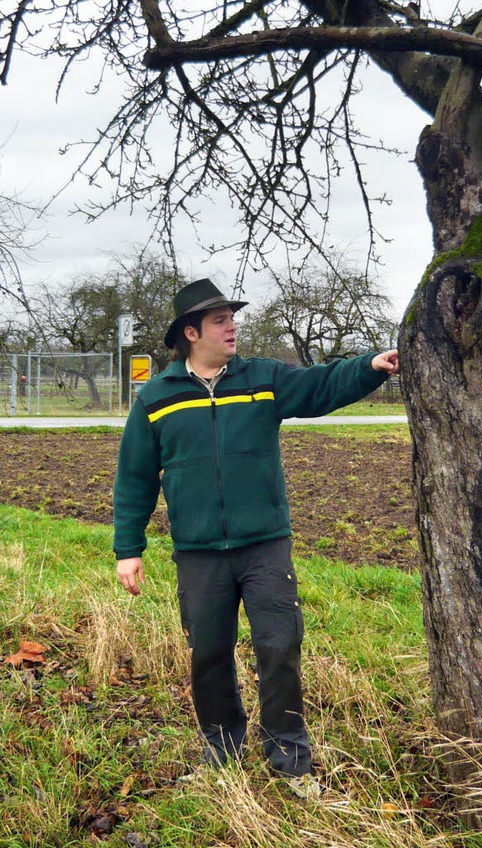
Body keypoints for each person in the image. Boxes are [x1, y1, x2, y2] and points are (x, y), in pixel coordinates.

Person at [113, 278, 399, 798]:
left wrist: (368, 367)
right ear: (191, 331)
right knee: (209, 653)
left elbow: (319, 385)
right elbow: (134, 477)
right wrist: (128, 549)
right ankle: (220, 749)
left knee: (279, 644)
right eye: (220, 320)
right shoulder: (157, 398)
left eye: (231, 317)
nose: (232, 326)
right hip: (198, 553)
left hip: (265, 543)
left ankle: (290, 759)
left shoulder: (261, 379)